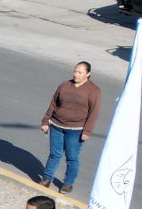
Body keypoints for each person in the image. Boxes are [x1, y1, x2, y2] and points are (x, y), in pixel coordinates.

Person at [35, 61, 101, 195]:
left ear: (88, 74)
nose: (76, 74)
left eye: (80, 72)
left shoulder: (93, 90)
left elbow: (94, 112)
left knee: (72, 157)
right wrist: (45, 121)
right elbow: (53, 104)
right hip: (56, 126)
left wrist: (87, 131)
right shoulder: (65, 85)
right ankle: (46, 179)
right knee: (54, 154)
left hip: (76, 130)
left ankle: (68, 183)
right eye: (75, 71)